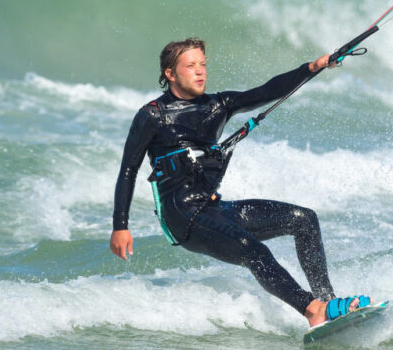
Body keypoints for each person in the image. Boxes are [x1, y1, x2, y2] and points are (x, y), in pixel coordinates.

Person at [110, 37, 370, 327]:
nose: (200, 72)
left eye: (203, 65)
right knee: (253, 249)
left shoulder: (218, 105)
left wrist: (315, 66)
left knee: (305, 220)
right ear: (170, 74)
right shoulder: (152, 116)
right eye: (191, 66)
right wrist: (120, 225)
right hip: (182, 215)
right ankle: (312, 310)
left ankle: (328, 303)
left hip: (212, 208)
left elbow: (267, 91)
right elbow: (128, 170)